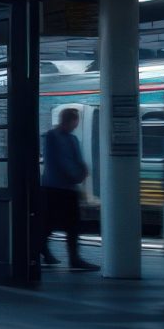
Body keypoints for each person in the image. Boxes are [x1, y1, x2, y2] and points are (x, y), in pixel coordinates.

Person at [40, 104, 95, 271]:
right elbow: (62, 162)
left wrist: (83, 170)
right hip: (55, 187)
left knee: (67, 223)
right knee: (53, 222)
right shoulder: (52, 136)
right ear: (69, 121)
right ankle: (57, 253)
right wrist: (77, 175)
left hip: (67, 188)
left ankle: (64, 255)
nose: (75, 125)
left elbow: (77, 159)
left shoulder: (72, 139)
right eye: (74, 121)